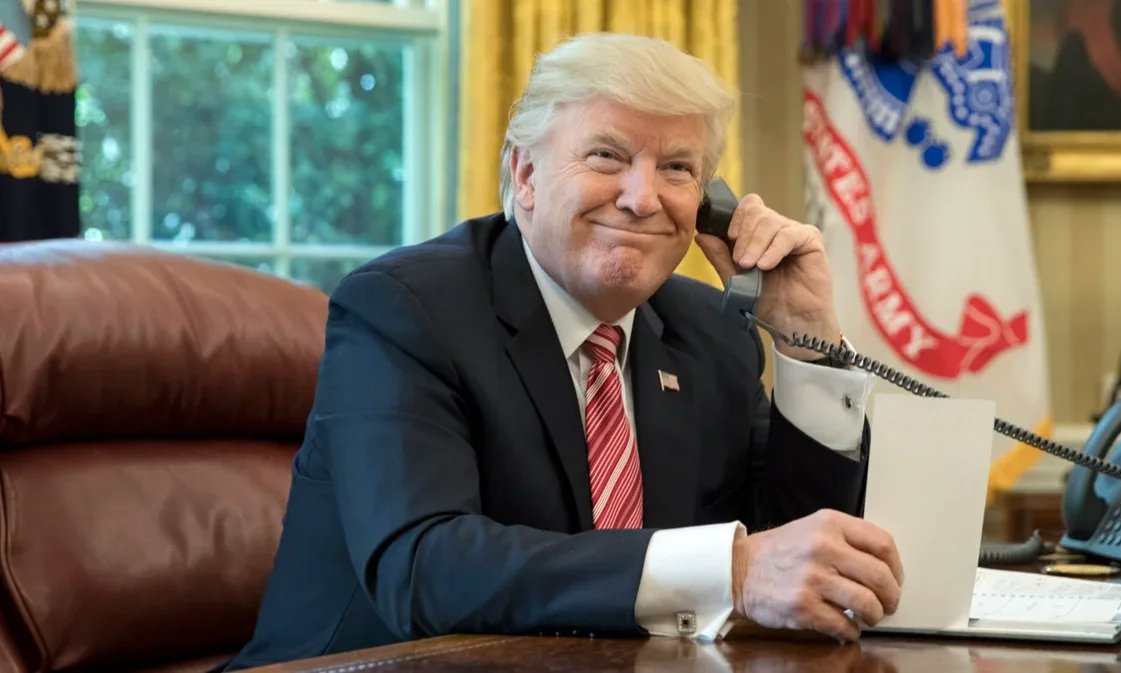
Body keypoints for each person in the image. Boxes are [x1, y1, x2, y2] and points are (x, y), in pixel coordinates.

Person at [224, 32, 903, 671]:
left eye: (676, 168)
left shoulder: (712, 331)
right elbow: (423, 566)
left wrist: (807, 341)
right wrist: (727, 569)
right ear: (524, 175)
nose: (642, 198)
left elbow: (792, 560)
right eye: (607, 156)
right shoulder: (406, 309)